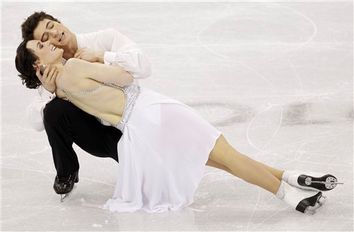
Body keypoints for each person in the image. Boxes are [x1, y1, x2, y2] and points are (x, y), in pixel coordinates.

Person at [16, 38, 342, 214]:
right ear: (39, 64)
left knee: (217, 159)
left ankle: (289, 176)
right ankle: (290, 196)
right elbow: (126, 77)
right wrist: (103, 58)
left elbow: (60, 108)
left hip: (138, 133)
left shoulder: (58, 92)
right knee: (228, 155)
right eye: (42, 46)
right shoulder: (75, 64)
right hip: (151, 110)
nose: (50, 44)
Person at [20, 11, 152, 197]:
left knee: (156, 173)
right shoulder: (51, 68)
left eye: (51, 26)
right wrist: (50, 92)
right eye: (45, 38)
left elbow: (144, 66)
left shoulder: (104, 38)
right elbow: (35, 121)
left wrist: (101, 56)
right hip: (101, 136)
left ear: (58, 22)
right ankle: (67, 172)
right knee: (53, 110)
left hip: (131, 121)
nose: (54, 35)